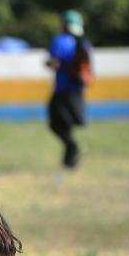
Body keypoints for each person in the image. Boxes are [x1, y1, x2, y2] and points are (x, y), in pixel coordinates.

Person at [46, 9, 93, 168]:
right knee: (66, 124)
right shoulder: (84, 42)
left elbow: (55, 62)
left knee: (55, 124)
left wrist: (48, 63)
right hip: (78, 91)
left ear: (64, 25)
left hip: (63, 90)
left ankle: (72, 147)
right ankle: (70, 160)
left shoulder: (60, 40)